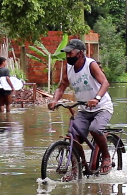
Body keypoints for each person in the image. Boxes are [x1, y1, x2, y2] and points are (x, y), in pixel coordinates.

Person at [48, 39, 114, 175]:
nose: (67, 56)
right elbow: (61, 87)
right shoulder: (68, 68)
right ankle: (77, 167)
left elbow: (105, 83)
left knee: (95, 129)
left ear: (80, 53)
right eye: (66, 54)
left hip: (102, 107)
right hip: (84, 109)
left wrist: (96, 99)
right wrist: (54, 100)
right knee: (73, 136)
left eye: (70, 53)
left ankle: (106, 156)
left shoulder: (91, 64)